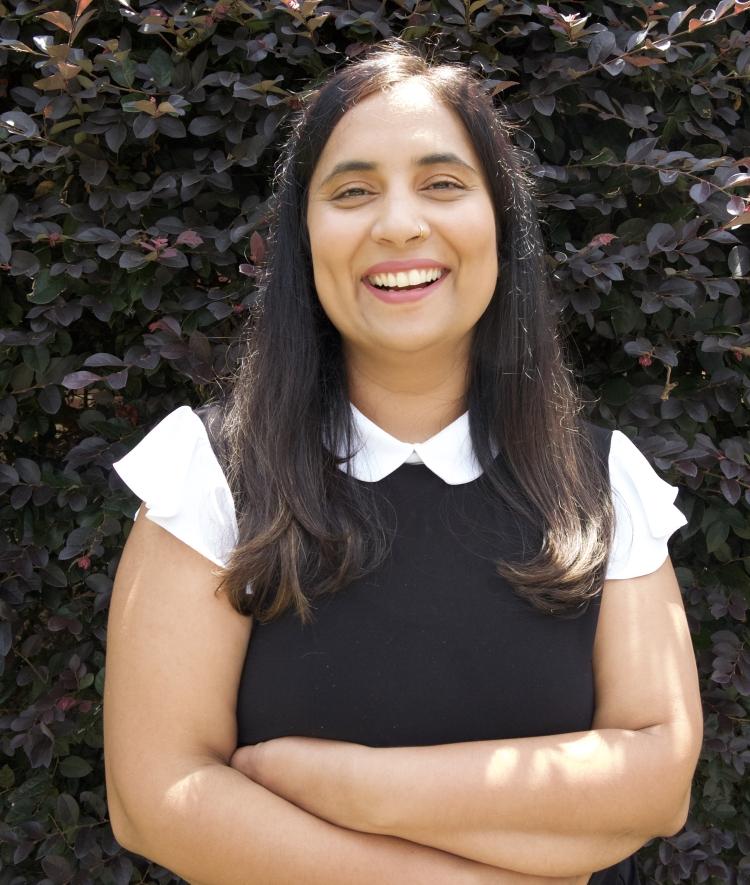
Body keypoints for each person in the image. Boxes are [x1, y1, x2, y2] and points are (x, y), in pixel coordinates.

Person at [103, 38, 703, 885]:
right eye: (352, 191)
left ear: (502, 222)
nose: (398, 223)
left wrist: (346, 785)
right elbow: (156, 799)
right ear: (304, 236)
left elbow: (657, 781)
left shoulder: (604, 483)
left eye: (443, 183)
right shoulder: (206, 473)